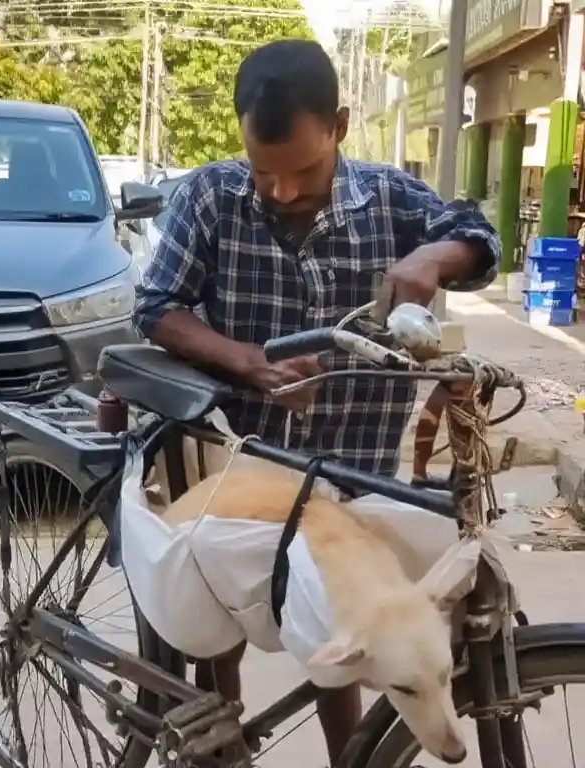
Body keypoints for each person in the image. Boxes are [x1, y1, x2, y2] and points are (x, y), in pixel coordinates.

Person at [132, 39, 499, 766]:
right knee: (221, 621)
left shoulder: (390, 199)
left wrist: (431, 258)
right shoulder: (209, 196)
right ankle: (221, 735)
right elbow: (156, 306)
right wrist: (248, 363)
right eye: (262, 169)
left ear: (340, 124)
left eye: (300, 169)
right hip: (234, 458)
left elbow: (479, 239)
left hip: (351, 462)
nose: (281, 190)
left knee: (352, 628)